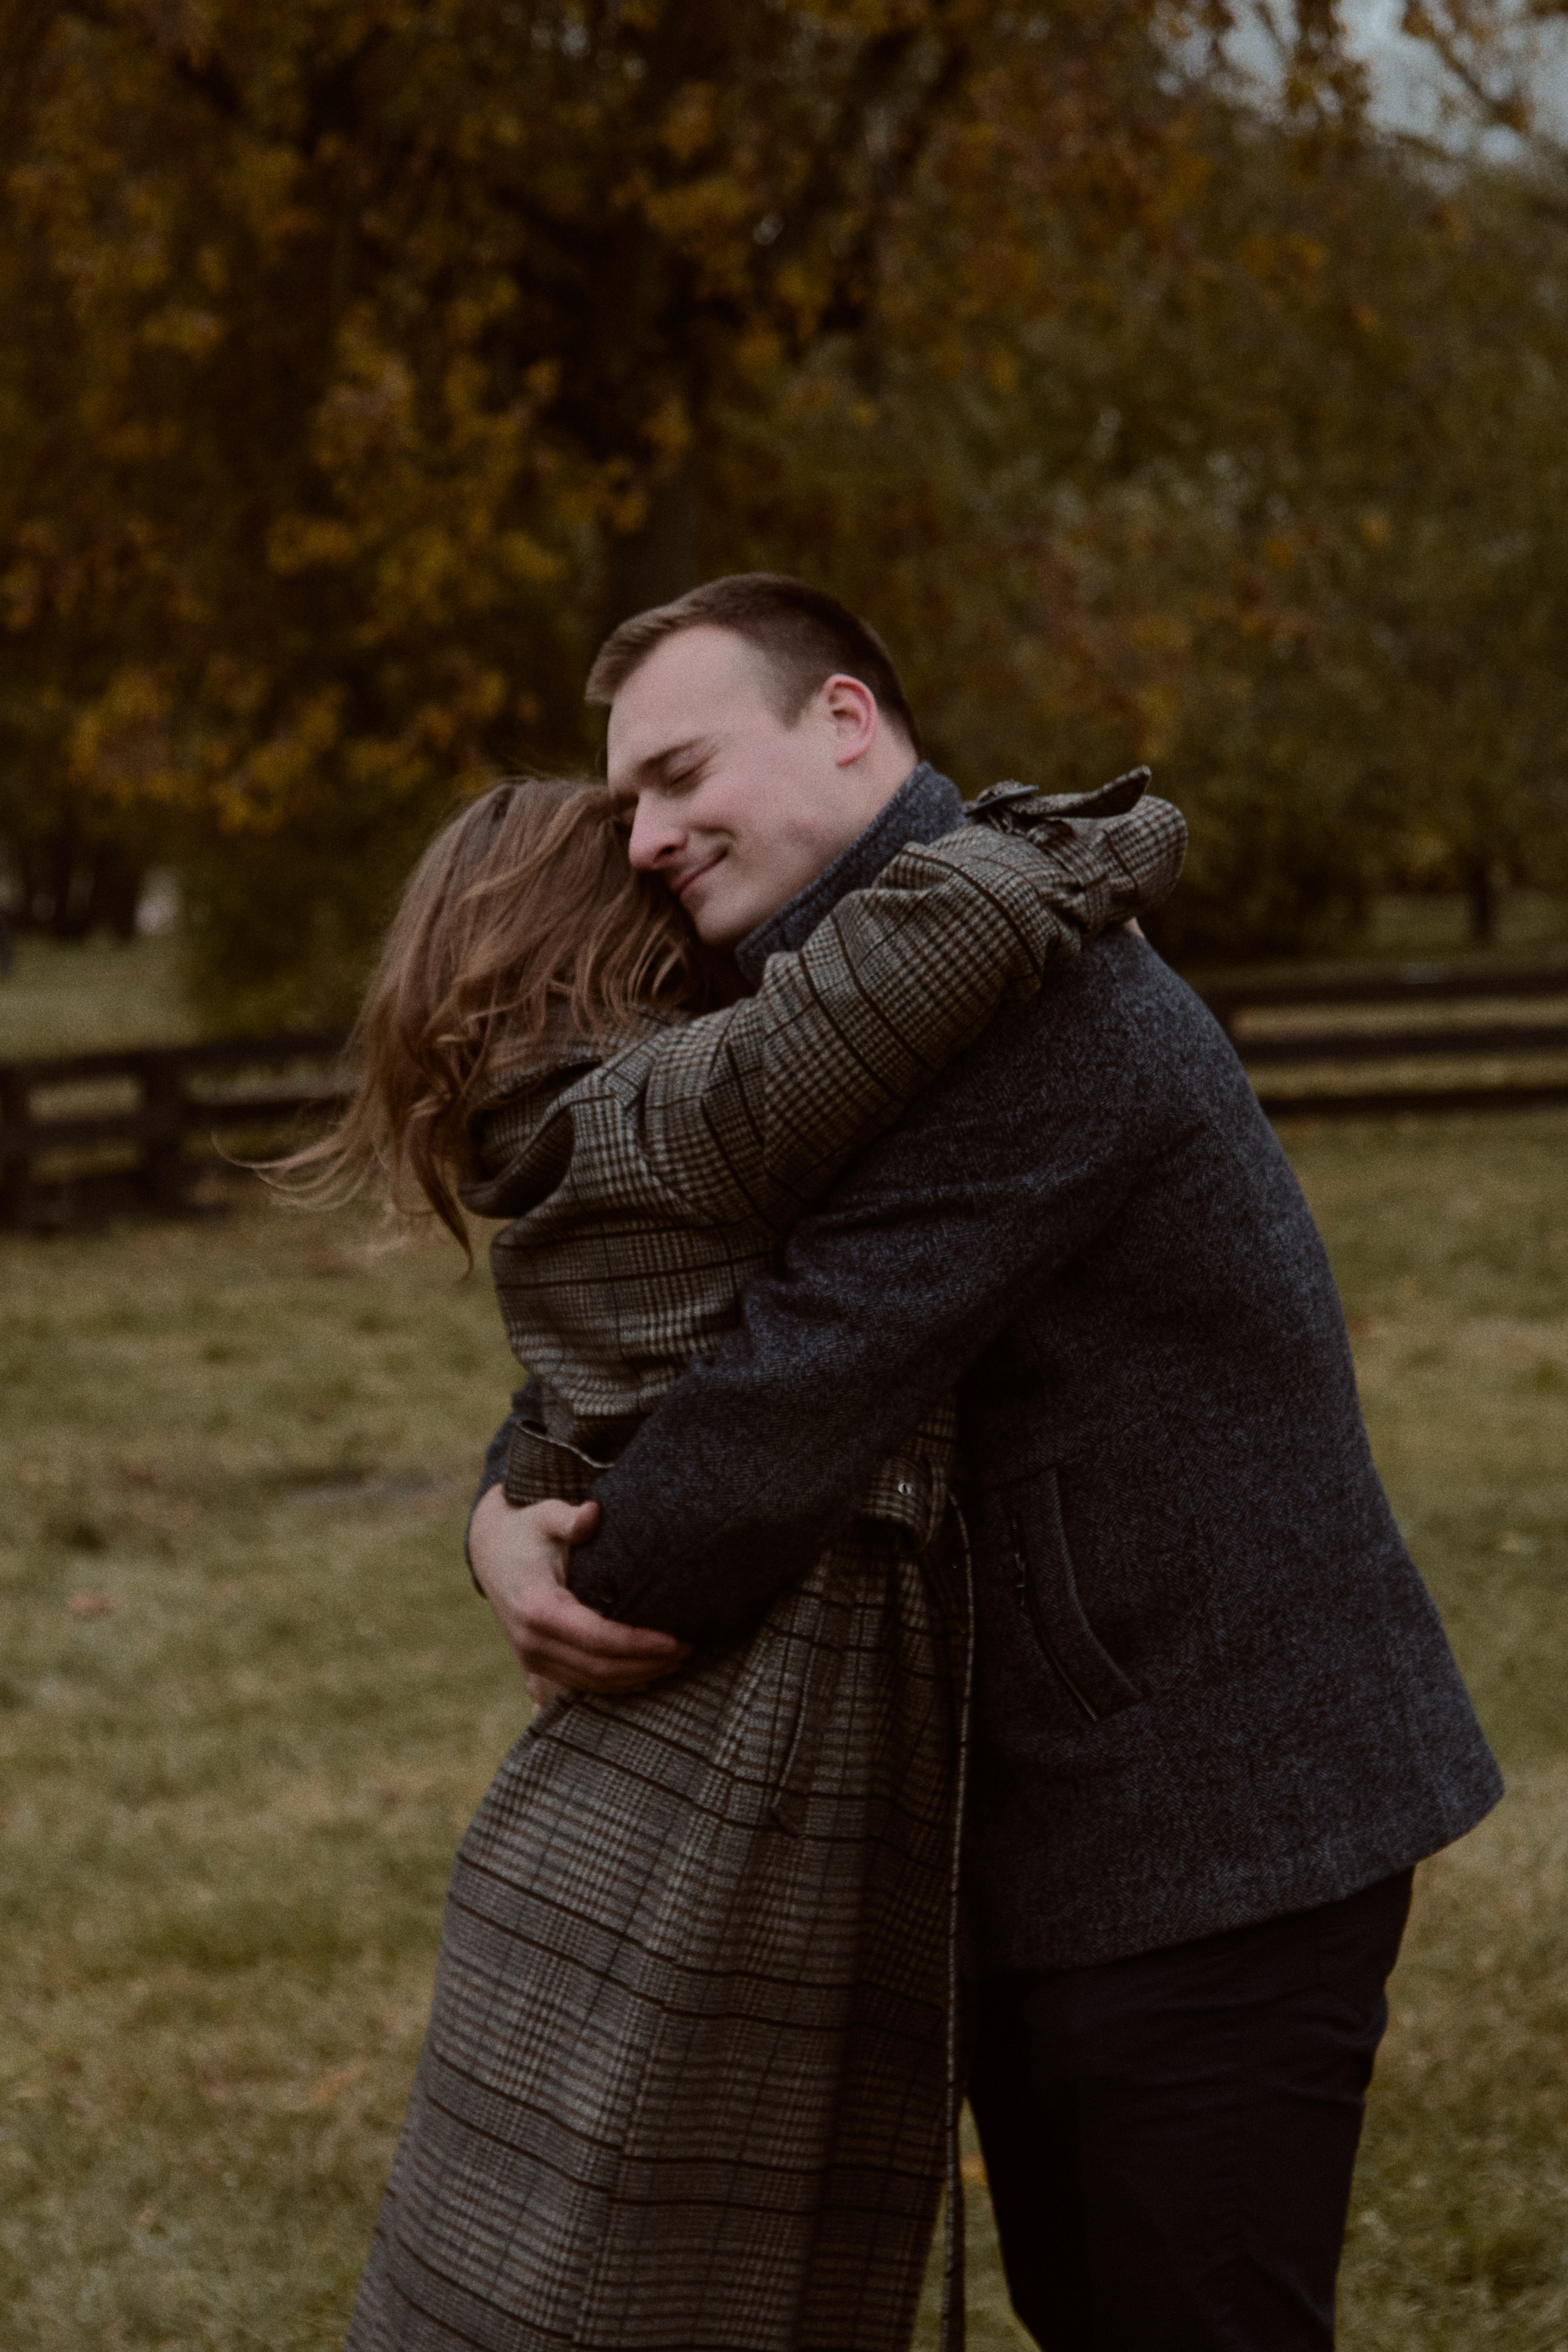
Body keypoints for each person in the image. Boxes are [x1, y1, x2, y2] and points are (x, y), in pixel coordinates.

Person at [471, 573, 1505, 2352]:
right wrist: (508, 1502)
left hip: (1221, 1818)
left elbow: (797, 1380)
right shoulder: (851, 999)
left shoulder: (1016, 992)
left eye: (679, 773)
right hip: (1057, 1817)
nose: (643, 837)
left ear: (846, 723)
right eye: (625, 798)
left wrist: (591, 1566)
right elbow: (675, 1289)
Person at [281, 753, 1185, 2350]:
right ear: (620, 944)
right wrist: (1078, 837)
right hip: (718, 1822)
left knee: (524, 2287)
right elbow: (902, 970)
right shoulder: (674, 1120)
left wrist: (497, 1520)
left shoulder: (555, 1144)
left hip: (615, 1818)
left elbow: (555, 1417)